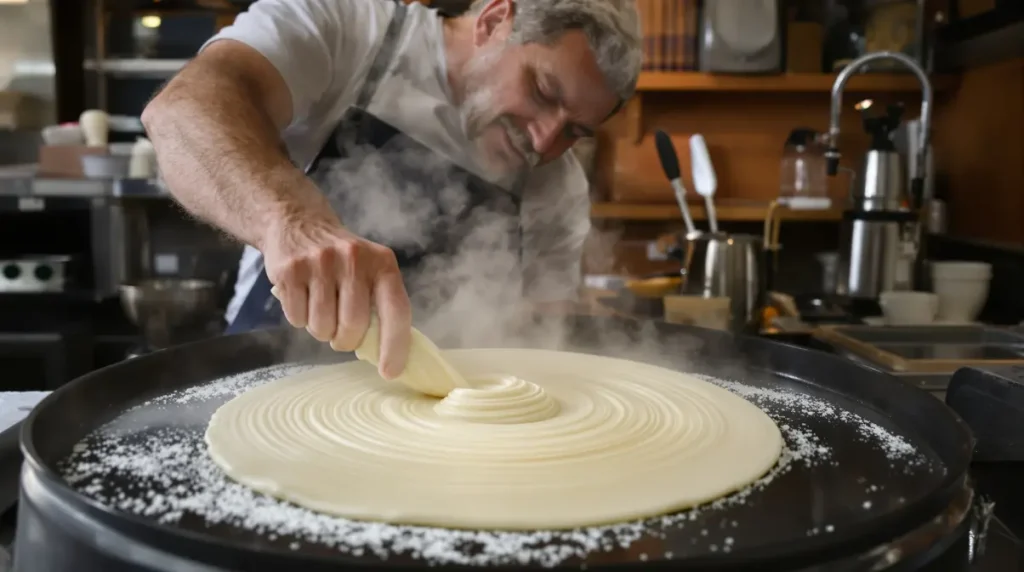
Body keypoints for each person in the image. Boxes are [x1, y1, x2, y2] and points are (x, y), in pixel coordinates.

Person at [141, 0, 642, 380]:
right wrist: (289, 221)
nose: (545, 140)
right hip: (266, 381)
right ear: (494, 22)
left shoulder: (557, 190)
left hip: (437, 430)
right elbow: (185, 110)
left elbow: (542, 347)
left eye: (575, 131)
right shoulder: (349, 30)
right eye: (543, 91)